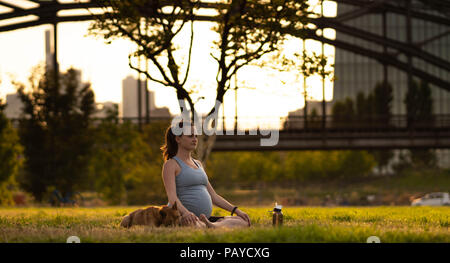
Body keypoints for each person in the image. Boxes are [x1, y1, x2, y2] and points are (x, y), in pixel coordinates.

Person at [160, 121, 251, 228]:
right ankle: (211, 226)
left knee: (243, 221)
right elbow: (172, 198)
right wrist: (186, 213)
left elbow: (214, 196)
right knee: (194, 225)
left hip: (204, 218)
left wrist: (236, 210)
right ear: (178, 139)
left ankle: (210, 225)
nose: (195, 139)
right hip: (183, 217)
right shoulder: (171, 164)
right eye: (190, 136)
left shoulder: (198, 164)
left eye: (196, 136)